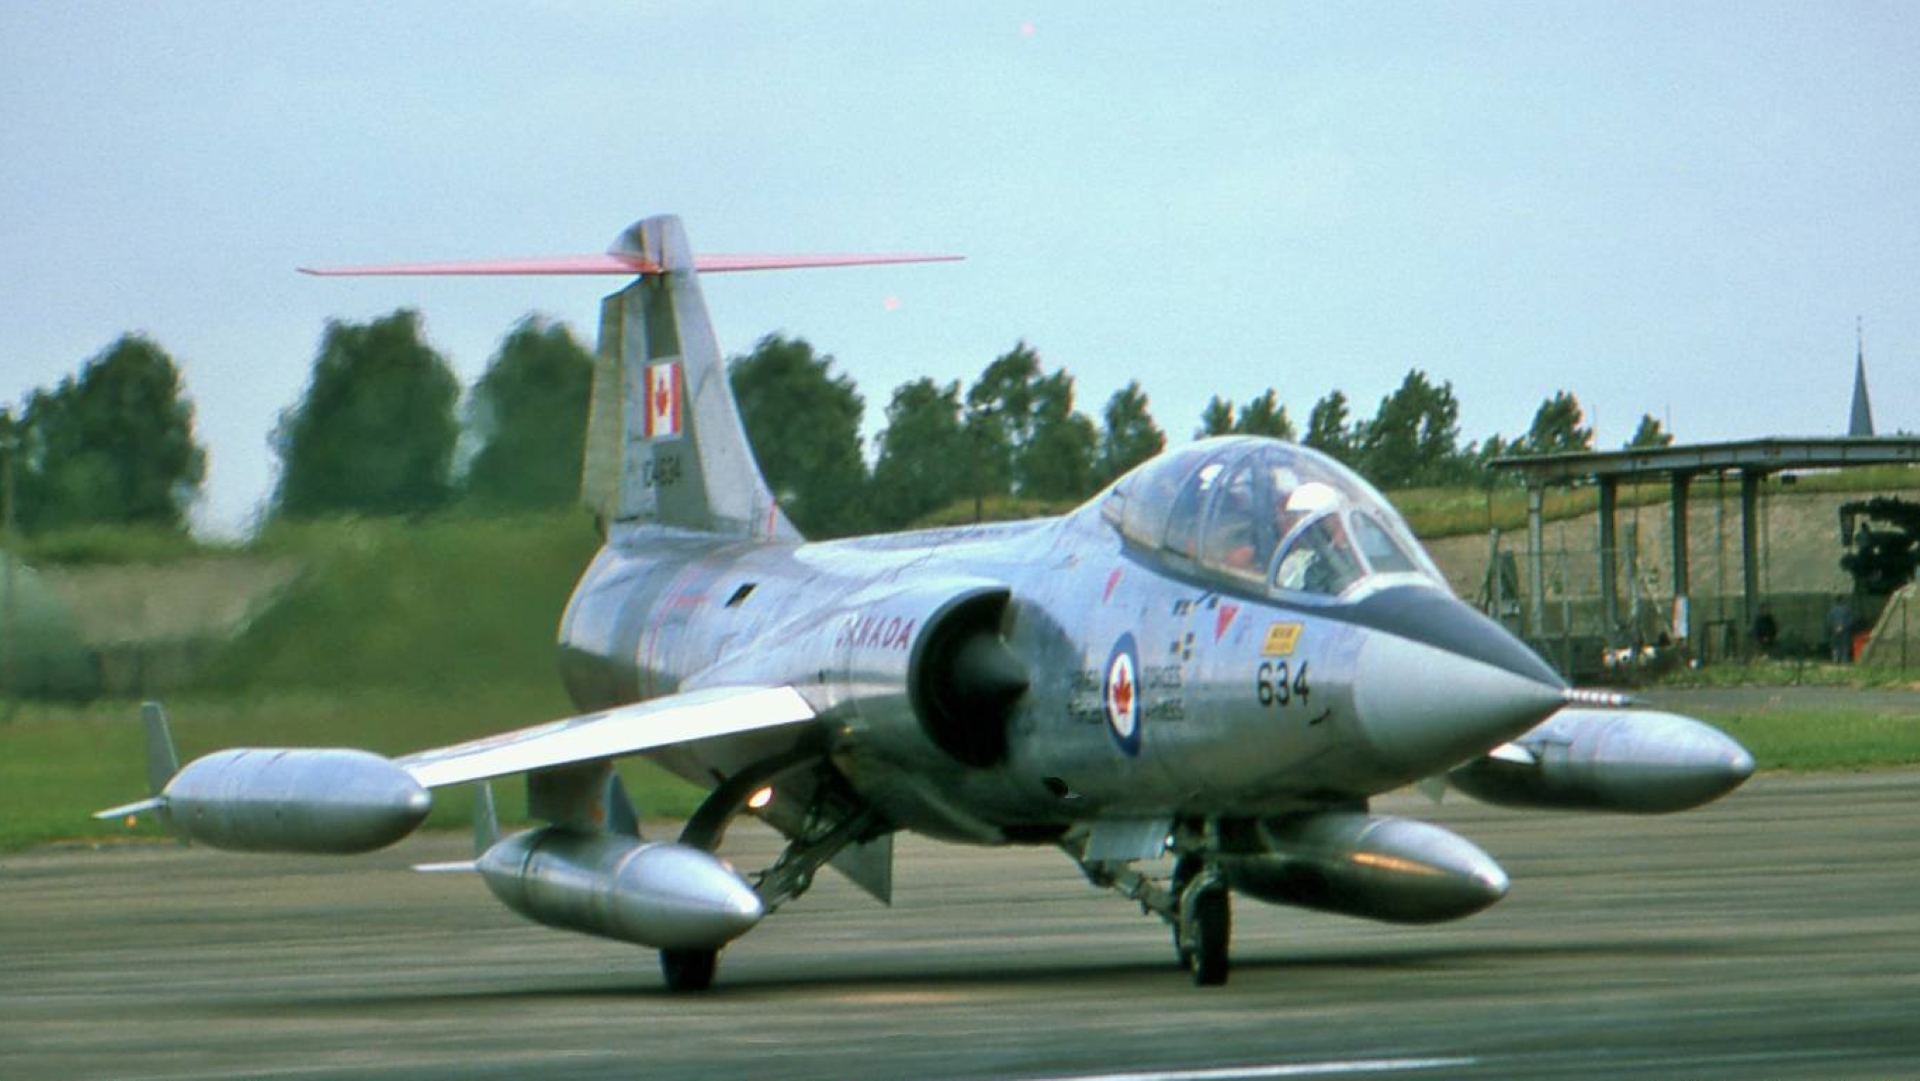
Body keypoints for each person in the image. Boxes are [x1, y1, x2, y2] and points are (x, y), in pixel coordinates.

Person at [1826, 595, 1855, 663]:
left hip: (1834, 631)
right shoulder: (1847, 610)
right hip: (1845, 631)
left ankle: (1835, 659)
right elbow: (1851, 621)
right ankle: (1844, 660)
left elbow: (1828, 621)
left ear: (1836, 601)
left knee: (1835, 645)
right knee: (1844, 645)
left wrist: (1834, 627)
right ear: (1843, 601)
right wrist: (1843, 627)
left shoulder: (1832, 611)